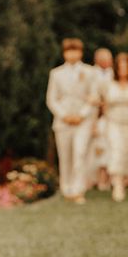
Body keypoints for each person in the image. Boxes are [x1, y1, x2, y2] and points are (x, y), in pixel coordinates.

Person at [46, 38, 96, 205]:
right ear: (64, 53)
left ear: (80, 52)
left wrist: (81, 115)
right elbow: (51, 99)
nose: (72, 54)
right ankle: (66, 188)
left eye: (75, 50)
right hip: (63, 121)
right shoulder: (56, 73)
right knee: (65, 156)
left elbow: (93, 97)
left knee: (80, 154)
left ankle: (78, 189)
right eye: (69, 50)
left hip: (83, 121)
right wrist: (64, 115)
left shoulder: (90, 72)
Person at [103, 51, 128, 202]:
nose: (123, 69)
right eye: (121, 66)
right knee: (117, 151)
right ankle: (117, 185)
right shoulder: (109, 84)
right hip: (114, 124)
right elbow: (104, 105)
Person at [88, 48, 114, 192]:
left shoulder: (114, 74)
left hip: (113, 116)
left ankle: (111, 177)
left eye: (108, 58)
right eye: (103, 58)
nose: (106, 61)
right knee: (96, 148)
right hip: (95, 116)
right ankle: (96, 178)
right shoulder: (90, 73)